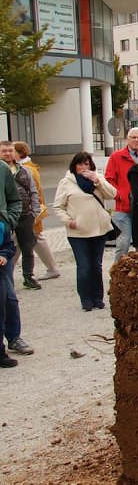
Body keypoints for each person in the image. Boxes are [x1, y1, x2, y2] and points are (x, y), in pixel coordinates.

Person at [53, 152, 117, 312]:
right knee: (84, 266)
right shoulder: (67, 182)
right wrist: (69, 221)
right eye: (80, 164)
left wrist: (97, 182)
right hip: (78, 232)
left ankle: (98, 298)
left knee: (96, 265)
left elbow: (112, 194)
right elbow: (58, 206)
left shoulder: (97, 178)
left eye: (86, 164)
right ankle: (86, 299)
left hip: (99, 229)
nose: (83, 168)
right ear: (74, 166)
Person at [14, 142, 59, 280]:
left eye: (13, 151)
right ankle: (52, 268)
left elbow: (32, 192)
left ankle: (6, 270)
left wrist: (33, 210)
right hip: (31, 211)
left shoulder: (27, 169)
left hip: (29, 212)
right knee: (34, 239)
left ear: (20, 153)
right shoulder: (29, 167)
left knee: (19, 240)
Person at [0, 161, 30, 358]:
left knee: (8, 296)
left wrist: (8, 220)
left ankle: (13, 337)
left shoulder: (2, 169)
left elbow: (15, 199)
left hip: (1, 241)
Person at [1, 141, 40, 290]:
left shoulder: (24, 170)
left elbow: (33, 191)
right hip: (4, 218)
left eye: (10, 150)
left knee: (27, 247)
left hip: (25, 215)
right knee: (6, 248)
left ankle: (28, 276)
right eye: (4, 151)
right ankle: (6, 276)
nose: (8, 153)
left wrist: (34, 212)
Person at [105, 127, 138, 261]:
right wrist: (120, 195)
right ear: (127, 139)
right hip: (123, 209)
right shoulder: (116, 156)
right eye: (133, 137)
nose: (136, 140)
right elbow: (109, 180)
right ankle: (117, 274)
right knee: (123, 244)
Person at [0, 218, 18, 367]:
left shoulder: (1, 226)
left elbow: (9, 246)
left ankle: (1, 353)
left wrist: (4, 255)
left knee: (1, 312)